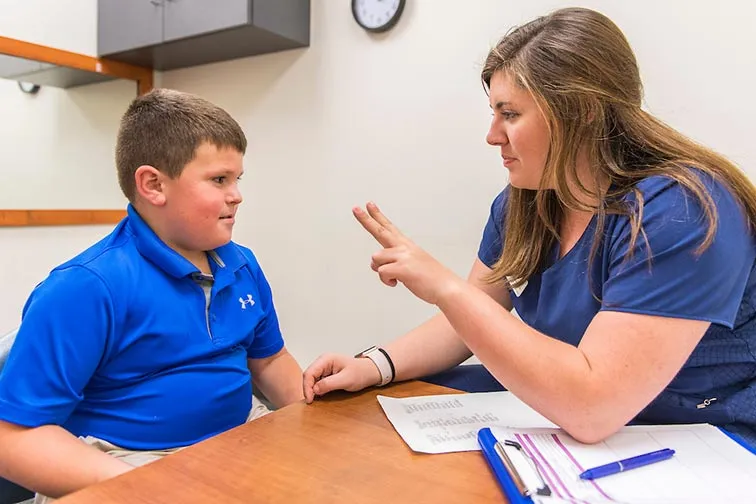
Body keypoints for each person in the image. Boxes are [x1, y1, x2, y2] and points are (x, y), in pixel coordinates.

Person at [303, 7, 756, 448]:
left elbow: (594, 407)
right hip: (574, 409)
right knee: (391, 411)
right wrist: (374, 365)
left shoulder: (682, 210)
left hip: (701, 427)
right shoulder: (525, 204)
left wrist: (444, 286)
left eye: (510, 114)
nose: (492, 135)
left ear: (584, 111)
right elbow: (473, 318)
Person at [0, 89, 304, 501]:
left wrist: (316, 424)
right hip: (124, 463)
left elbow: (270, 360)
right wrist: (146, 487)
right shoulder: (86, 288)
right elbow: (13, 439)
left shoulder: (242, 265)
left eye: (237, 179)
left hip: (237, 442)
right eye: (219, 180)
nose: (237, 195)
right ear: (153, 185)